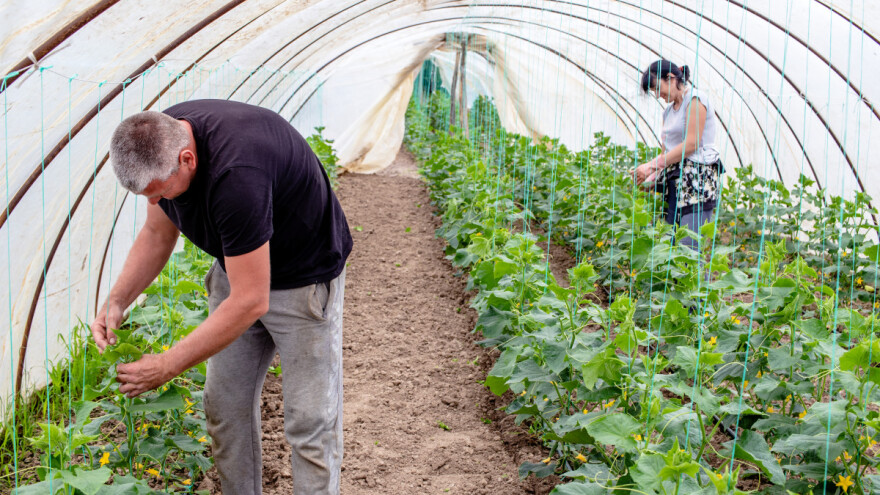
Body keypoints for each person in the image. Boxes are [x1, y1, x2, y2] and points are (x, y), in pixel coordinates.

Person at [90, 99, 352, 495]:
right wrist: (116, 300)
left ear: (188, 159)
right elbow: (157, 234)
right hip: (240, 270)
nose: (154, 203)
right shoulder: (159, 136)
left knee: (309, 422)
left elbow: (251, 300)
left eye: (159, 193)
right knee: (225, 408)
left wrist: (166, 365)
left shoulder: (238, 174)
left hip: (303, 281)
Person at [634, 60, 723, 250]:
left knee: (689, 248)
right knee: (671, 244)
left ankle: (699, 281)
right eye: (654, 91)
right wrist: (651, 178)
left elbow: (692, 143)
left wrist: (650, 166)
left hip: (697, 184)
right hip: (675, 183)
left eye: (658, 88)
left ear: (671, 78)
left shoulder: (696, 100)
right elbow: (666, 152)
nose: (658, 95)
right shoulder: (668, 112)